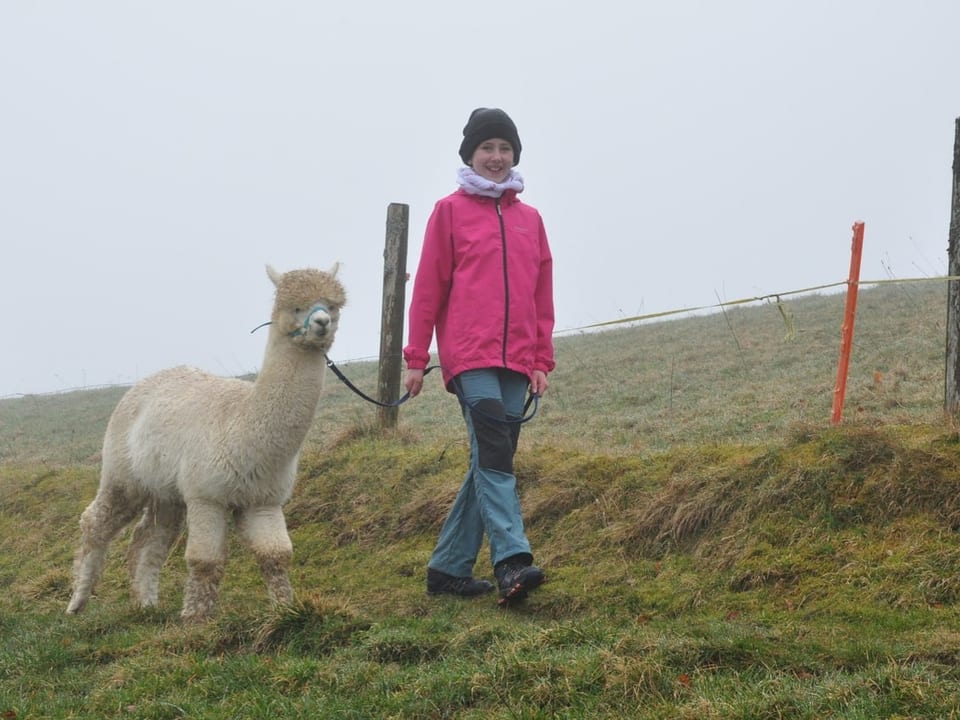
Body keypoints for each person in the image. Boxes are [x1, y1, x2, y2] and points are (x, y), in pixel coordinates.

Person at [403, 107, 556, 605]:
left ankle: (447, 569)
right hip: (469, 357)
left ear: (514, 156)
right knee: (494, 451)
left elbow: (540, 294)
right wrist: (414, 356)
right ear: (470, 154)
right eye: (486, 148)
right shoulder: (449, 211)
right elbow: (428, 288)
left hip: (517, 360)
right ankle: (513, 561)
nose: (496, 157)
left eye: (504, 149)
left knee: (491, 460)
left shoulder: (531, 220)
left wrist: (540, 360)